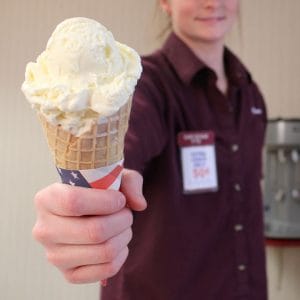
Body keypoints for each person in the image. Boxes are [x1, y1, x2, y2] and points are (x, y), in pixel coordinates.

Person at [33, 0, 268, 299]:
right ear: (165, 3)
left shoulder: (250, 93)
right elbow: (123, 159)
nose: (213, 2)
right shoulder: (142, 87)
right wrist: (77, 209)